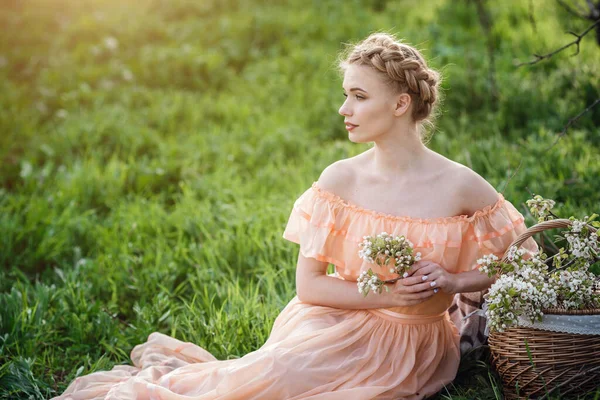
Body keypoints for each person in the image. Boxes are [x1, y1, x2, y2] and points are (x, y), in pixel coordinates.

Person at [52, 32, 538, 400]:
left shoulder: (460, 185)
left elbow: (527, 264)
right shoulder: (339, 180)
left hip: (412, 343)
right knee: (276, 377)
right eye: (346, 93)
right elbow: (310, 287)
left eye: (359, 96)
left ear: (401, 103)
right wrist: (389, 291)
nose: (343, 108)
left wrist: (454, 282)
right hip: (329, 318)